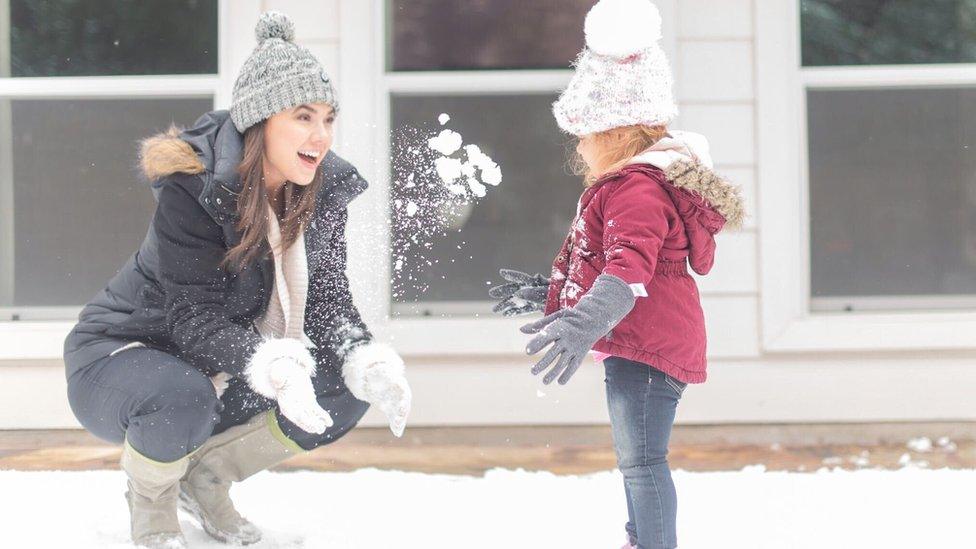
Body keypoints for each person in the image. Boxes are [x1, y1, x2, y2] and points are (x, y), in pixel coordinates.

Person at [63, 11, 411, 548]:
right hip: (120, 355)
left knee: (343, 384)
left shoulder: (320, 191)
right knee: (183, 394)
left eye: (328, 118)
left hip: (211, 367)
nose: (320, 136)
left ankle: (206, 478)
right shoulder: (196, 189)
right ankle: (152, 502)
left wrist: (365, 356)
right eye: (303, 117)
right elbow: (191, 318)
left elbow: (327, 300)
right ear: (260, 121)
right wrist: (272, 364)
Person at [490, 1, 744, 547]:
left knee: (643, 461)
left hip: (647, 343)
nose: (578, 145)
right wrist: (553, 295)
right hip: (643, 338)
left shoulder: (636, 188)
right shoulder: (639, 185)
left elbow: (629, 271)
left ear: (614, 130)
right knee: (637, 460)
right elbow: (612, 266)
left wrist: (582, 323)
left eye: (584, 131)